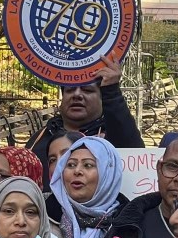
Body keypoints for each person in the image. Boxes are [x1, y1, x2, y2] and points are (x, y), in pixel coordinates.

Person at [26, 55, 144, 191]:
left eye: (87, 90)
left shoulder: (114, 138)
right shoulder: (40, 138)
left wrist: (112, 91)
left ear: (102, 99)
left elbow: (133, 150)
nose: (77, 95)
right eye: (70, 90)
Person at [49, 136, 128, 238]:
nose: (77, 171)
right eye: (71, 165)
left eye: (88, 165)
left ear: (107, 174)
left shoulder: (128, 222)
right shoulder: (45, 218)